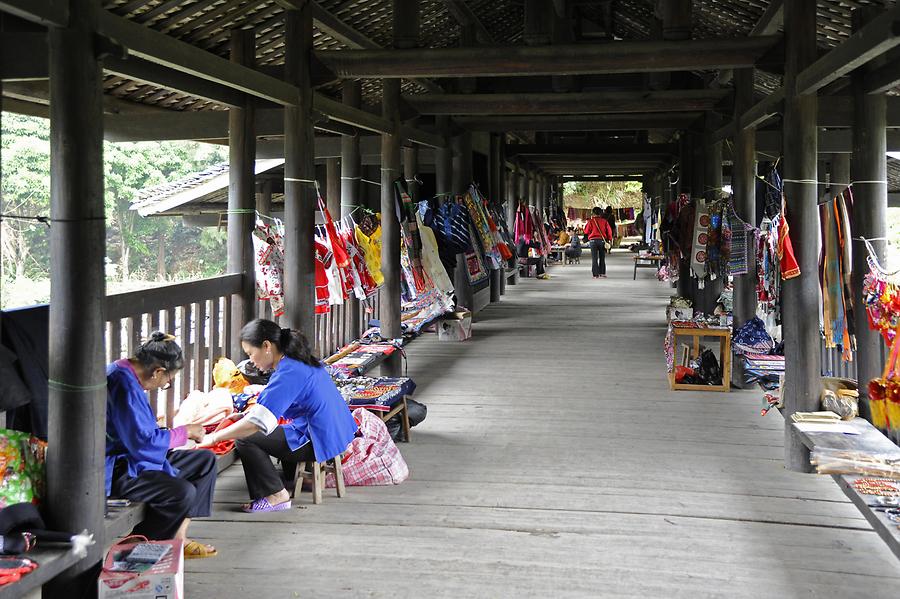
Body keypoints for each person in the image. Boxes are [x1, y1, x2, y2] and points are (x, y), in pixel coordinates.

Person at [199, 319, 358, 513]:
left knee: (245, 438)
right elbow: (268, 406)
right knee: (256, 428)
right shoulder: (296, 360)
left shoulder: (288, 372)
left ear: (266, 346)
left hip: (319, 438)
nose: (251, 360)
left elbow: (257, 423)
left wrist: (214, 437)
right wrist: (243, 416)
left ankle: (275, 495)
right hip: (335, 430)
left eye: (250, 353)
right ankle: (283, 483)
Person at [106, 332, 218, 559]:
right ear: (158, 372)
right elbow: (143, 445)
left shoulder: (127, 372)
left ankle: (179, 537)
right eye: (168, 381)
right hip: (118, 468)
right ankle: (137, 546)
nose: (165, 384)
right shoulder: (122, 384)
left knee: (204, 461)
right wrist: (185, 432)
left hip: (137, 458)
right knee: (181, 493)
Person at [584, 207, 613, 278]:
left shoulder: (590, 221)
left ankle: (595, 275)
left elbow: (586, 231)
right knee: (602, 257)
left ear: (593, 213)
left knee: (594, 258)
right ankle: (602, 273)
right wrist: (609, 239)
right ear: (601, 213)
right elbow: (609, 231)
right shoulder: (604, 221)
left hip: (593, 241)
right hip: (602, 241)